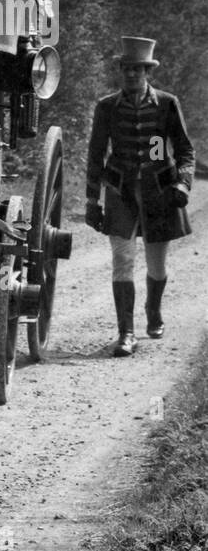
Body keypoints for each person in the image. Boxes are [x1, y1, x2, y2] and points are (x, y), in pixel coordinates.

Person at [85, 37, 195, 357]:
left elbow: (185, 150)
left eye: (138, 70)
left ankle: (153, 310)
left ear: (148, 72)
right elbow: (95, 154)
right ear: (120, 71)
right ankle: (126, 333)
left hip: (159, 192)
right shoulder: (106, 106)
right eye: (127, 69)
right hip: (120, 191)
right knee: (123, 260)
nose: (132, 75)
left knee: (156, 265)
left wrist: (183, 184)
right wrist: (92, 201)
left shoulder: (166, 103)